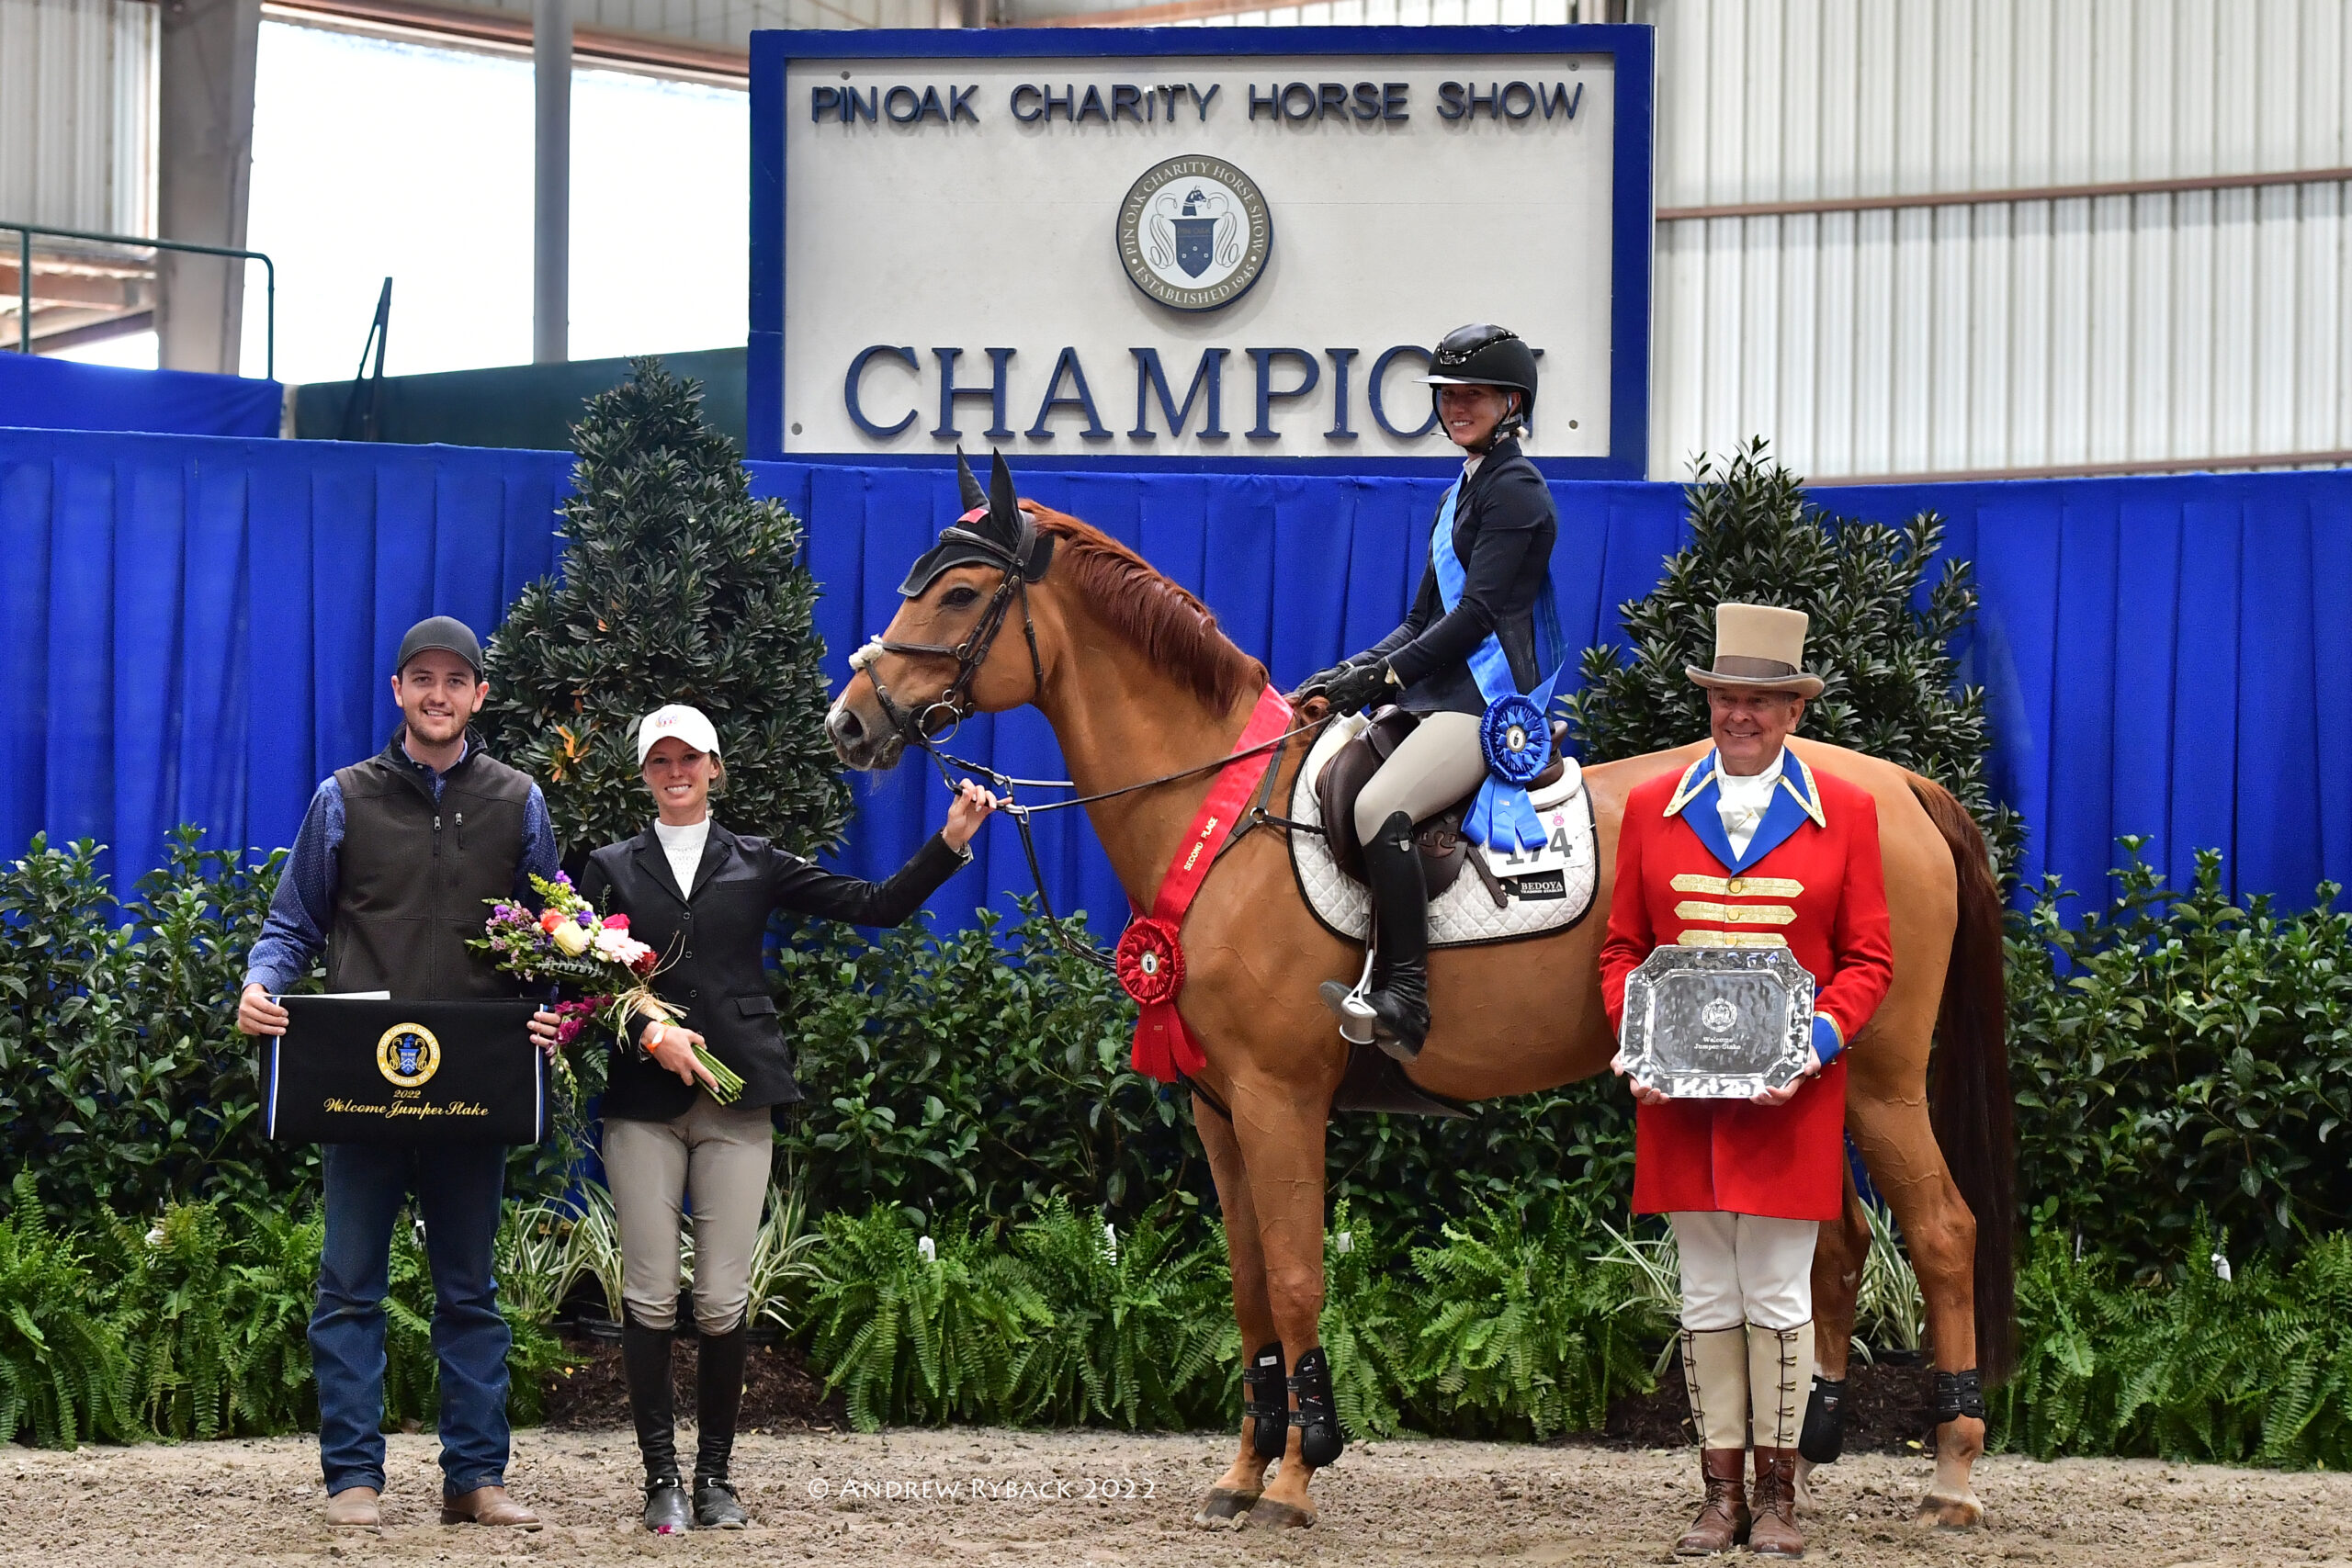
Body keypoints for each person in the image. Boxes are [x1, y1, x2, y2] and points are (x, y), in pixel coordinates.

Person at [530, 704, 997, 1533]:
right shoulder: (604, 866)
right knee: (647, 1292)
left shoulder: (757, 860)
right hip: (642, 1104)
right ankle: (660, 1480)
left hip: (739, 1096)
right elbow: (578, 983)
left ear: (715, 768)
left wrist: (953, 837)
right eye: (660, 761)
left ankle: (715, 1476)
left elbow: (878, 903)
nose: (676, 773)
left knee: (718, 1298)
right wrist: (648, 1028)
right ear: (643, 773)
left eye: (690, 759)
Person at [237, 615, 560, 1532]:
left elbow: (552, 936)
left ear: (479, 696)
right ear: (397, 691)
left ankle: (475, 1481)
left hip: (476, 1083)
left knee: (471, 1291)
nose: (438, 695)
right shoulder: (343, 798)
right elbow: (292, 924)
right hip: (357, 1081)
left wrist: (556, 1008)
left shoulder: (519, 801)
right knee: (348, 1285)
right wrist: (261, 987)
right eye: (423, 678)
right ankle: (353, 1481)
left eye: (456, 681)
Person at [1598, 604, 1895, 1560]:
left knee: (1775, 1296)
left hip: (1787, 1099)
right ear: (1710, 703)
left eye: (1761, 701)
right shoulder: (1651, 808)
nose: (1741, 716)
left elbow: (1868, 960)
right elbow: (1622, 950)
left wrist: (1810, 1040)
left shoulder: (1845, 813)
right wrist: (1636, 1037)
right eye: (1728, 697)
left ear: (1793, 711)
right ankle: (1716, 1496)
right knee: (1701, 1299)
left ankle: (1779, 1499)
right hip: (1679, 1102)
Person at [1291, 322, 1563, 1061]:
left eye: (1471, 396)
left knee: (1382, 806)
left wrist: (1384, 678)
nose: (1455, 408)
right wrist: (1346, 671)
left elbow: (1477, 616)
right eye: (1447, 396)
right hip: (1434, 692)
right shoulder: (1461, 494)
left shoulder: (1518, 491)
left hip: (1483, 702)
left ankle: (1405, 995)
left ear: (1512, 401)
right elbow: (1420, 618)